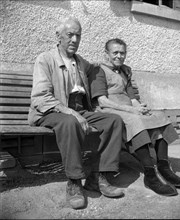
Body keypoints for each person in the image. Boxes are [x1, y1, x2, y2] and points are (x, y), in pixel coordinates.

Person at [28, 18, 125, 210]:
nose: (74, 39)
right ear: (58, 36)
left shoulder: (80, 62)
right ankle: (74, 182)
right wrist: (70, 112)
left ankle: (97, 177)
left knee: (114, 121)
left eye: (78, 35)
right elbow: (40, 97)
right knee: (70, 122)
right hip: (52, 110)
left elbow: (96, 69)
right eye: (69, 35)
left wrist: (110, 65)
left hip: (79, 109)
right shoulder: (45, 59)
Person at [90, 38, 180, 197]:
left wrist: (140, 108)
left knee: (159, 116)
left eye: (122, 53)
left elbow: (133, 98)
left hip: (128, 108)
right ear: (106, 54)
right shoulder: (98, 71)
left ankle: (164, 168)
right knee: (135, 121)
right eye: (115, 52)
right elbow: (101, 101)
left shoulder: (125, 71)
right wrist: (130, 110)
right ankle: (150, 175)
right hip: (109, 110)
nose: (119, 56)